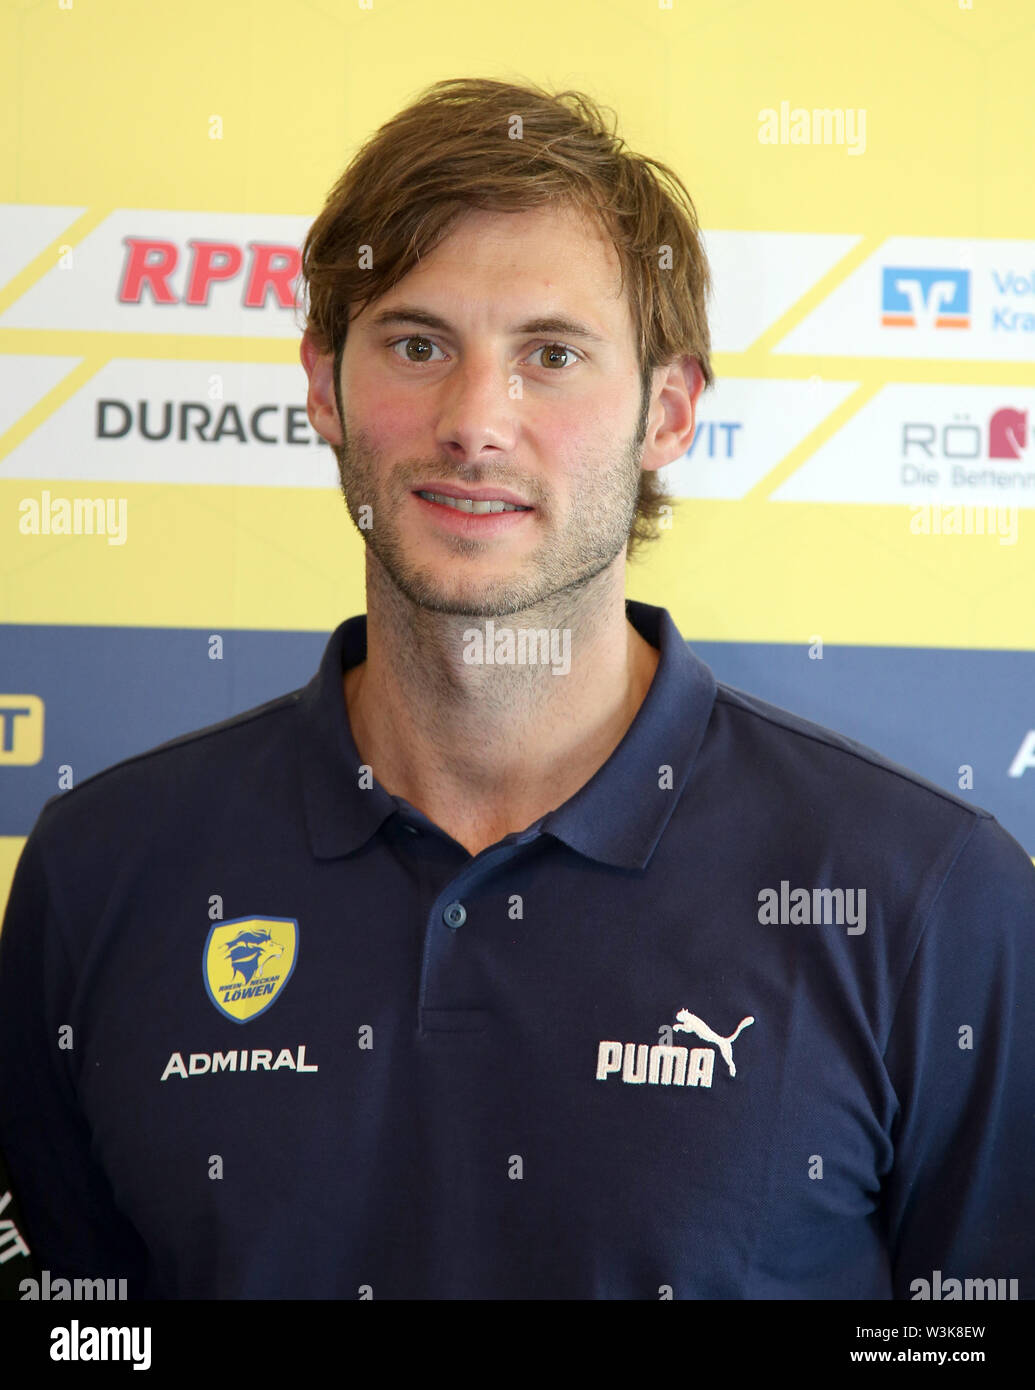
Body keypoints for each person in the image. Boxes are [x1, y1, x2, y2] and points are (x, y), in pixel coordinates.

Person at [1, 76, 1033, 1301]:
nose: (475, 420)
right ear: (325, 390)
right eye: (418, 343)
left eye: (551, 354)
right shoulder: (102, 869)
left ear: (668, 411)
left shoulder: (922, 895)